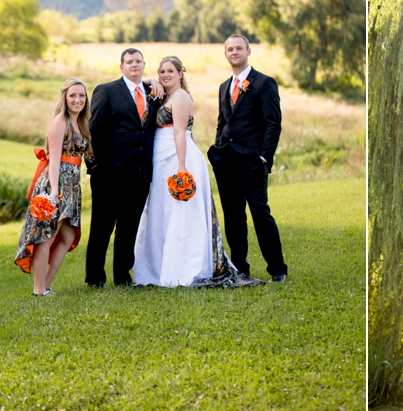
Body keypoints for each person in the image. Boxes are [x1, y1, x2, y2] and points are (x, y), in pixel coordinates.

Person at [132, 56, 262, 287]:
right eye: (162, 72)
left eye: (170, 71)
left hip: (178, 158)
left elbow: (180, 132)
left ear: (181, 74)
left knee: (181, 214)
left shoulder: (181, 97)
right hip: (161, 160)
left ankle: (185, 267)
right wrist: (154, 80)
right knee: (163, 214)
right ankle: (161, 265)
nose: (165, 75)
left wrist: (181, 168)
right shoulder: (164, 94)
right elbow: (143, 83)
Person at [208, 34, 287, 282]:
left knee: (260, 214)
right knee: (232, 217)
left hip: (253, 162)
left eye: (239, 48)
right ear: (225, 54)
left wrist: (264, 157)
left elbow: (273, 124)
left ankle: (277, 268)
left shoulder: (264, 83)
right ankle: (240, 267)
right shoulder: (224, 86)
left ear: (248, 51)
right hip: (226, 163)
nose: (234, 52)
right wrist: (219, 148)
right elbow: (222, 123)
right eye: (230, 49)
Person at [84, 48, 159, 287]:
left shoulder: (152, 92)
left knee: (128, 229)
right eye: (129, 62)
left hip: (139, 174)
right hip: (108, 173)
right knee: (101, 228)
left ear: (143, 65)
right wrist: (95, 165)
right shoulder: (106, 91)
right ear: (122, 67)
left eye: (138, 61)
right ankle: (95, 278)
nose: (134, 65)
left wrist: (152, 82)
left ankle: (122, 278)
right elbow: (92, 130)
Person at [14, 77, 91, 295]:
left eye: (81, 95)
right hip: (56, 183)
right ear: (65, 98)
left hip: (72, 185)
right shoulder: (61, 122)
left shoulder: (81, 122)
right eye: (72, 95)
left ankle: (45, 285)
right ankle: (39, 290)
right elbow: (54, 159)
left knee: (67, 237)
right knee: (46, 236)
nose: (77, 100)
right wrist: (55, 192)